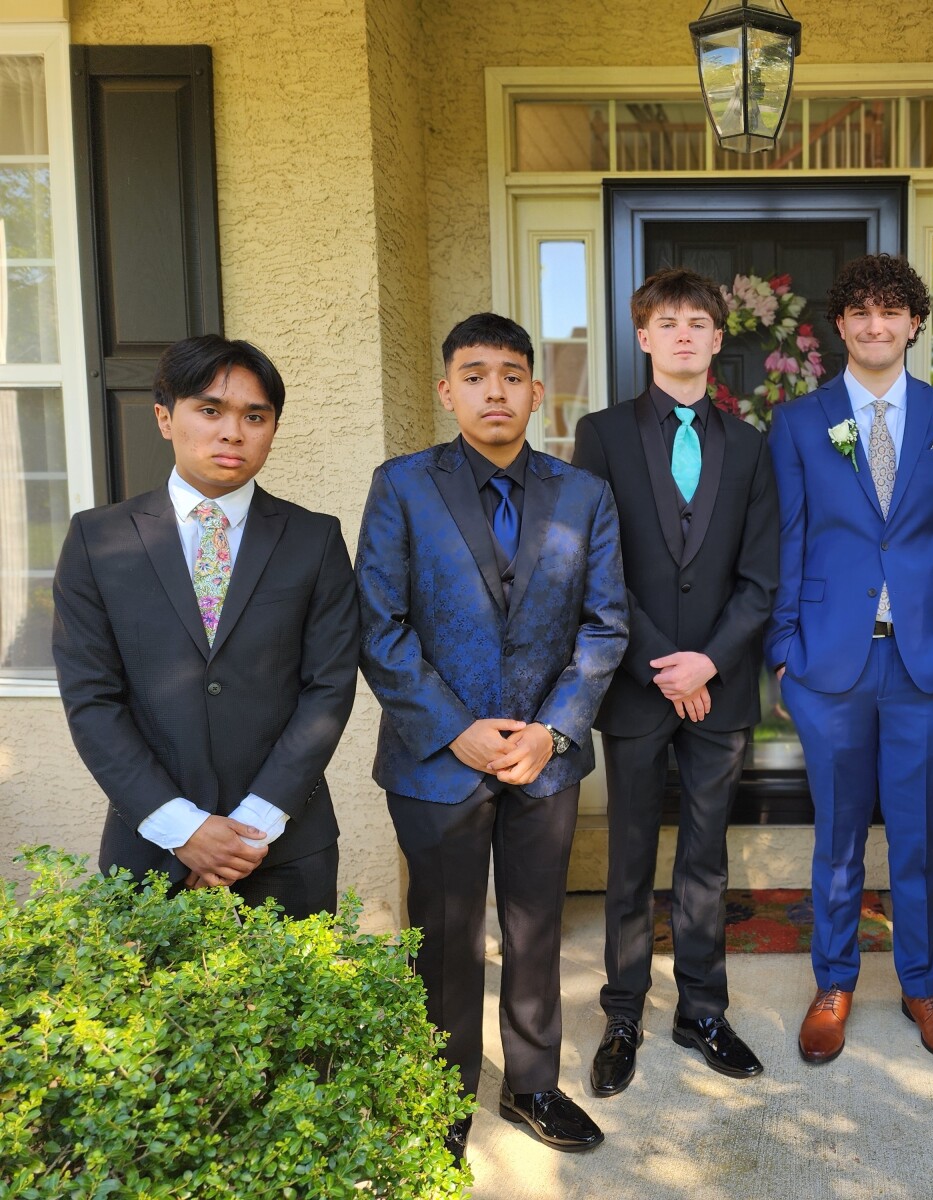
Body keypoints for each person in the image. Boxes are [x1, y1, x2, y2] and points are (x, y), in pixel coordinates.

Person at [355, 313, 627, 1161]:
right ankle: (442, 1092)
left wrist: (551, 731)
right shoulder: (402, 486)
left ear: (537, 392)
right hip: (436, 762)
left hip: (545, 760)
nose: (494, 390)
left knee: (537, 928)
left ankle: (532, 1085)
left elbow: (605, 625)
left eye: (511, 375)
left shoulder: (583, 494)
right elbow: (380, 626)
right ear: (447, 391)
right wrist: (455, 730)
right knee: (443, 936)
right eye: (474, 375)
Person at [765, 253, 933, 1065]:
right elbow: (788, 538)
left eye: (890, 311)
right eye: (859, 311)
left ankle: (922, 985)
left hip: (927, 663)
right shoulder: (800, 422)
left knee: (916, 836)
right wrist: (783, 651)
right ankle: (834, 982)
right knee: (837, 835)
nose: (874, 325)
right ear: (840, 324)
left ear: (914, 323)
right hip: (829, 662)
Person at [52, 334, 357, 919]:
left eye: (255, 416)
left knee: (293, 984)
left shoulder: (314, 539)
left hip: (285, 846)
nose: (232, 432)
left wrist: (252, 826)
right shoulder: (97, 539)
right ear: (165, 418)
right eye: (210, 410)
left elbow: (329, 687)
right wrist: (183, 827)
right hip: (149, 845)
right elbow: (92, 698)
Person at [572, 268, 779, 1095]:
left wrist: (710, 661)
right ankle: (623, 1012)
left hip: (719, 686)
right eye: (668, 322)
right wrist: (665, 665)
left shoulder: (751, 446)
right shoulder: (601, 435)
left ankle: (702, 1011)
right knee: (628, 857)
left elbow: (761, 576)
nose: (684, 333)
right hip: (636, 682)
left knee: (705, 858)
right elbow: (597, 565)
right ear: (644, 337)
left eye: (698, 321)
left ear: (718, 339)